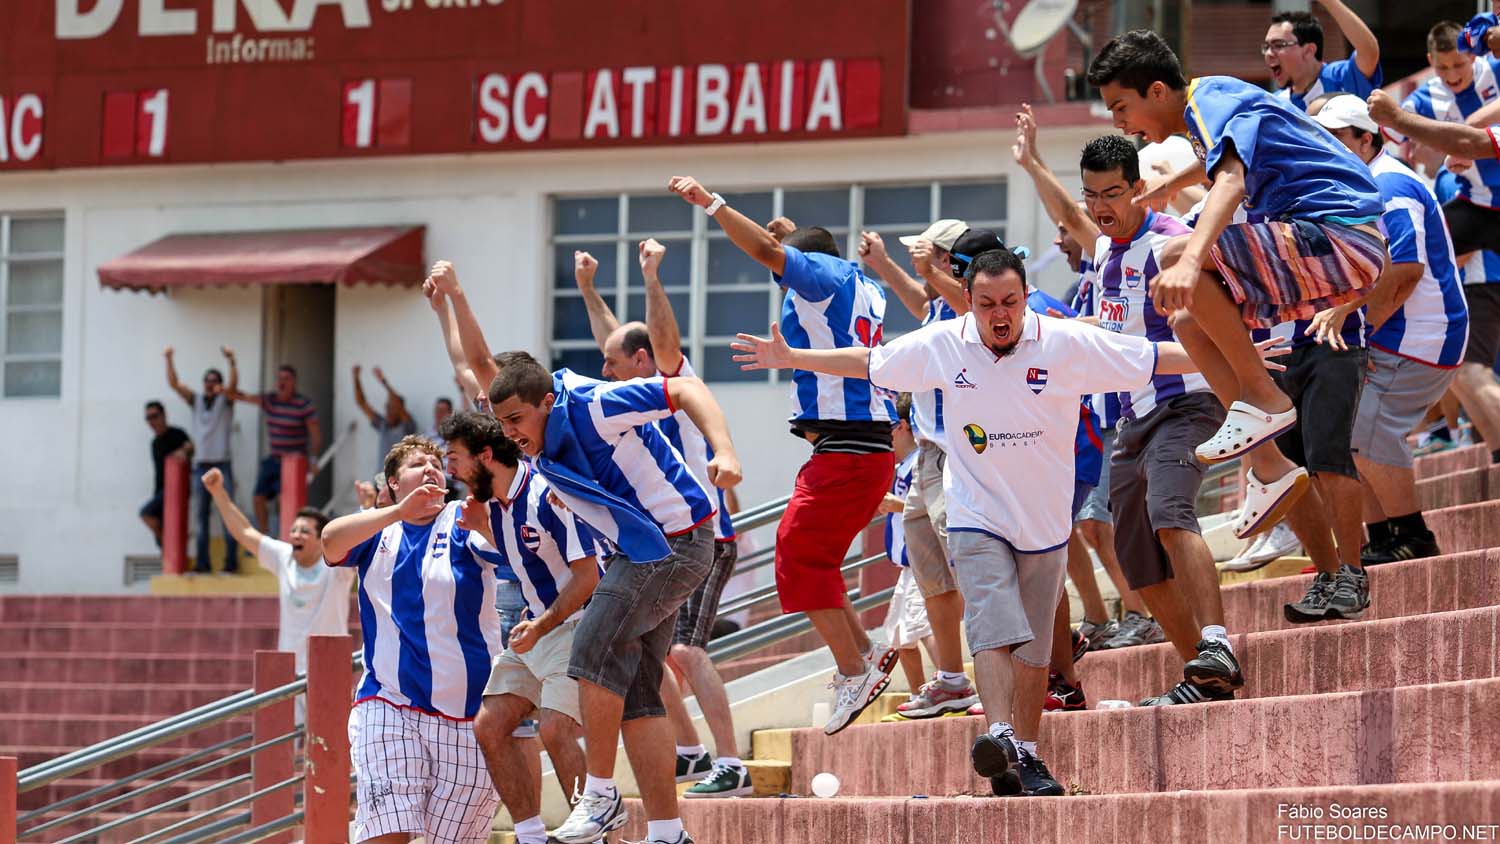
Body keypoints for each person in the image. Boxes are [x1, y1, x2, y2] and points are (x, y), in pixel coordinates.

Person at [732, 248, 1281, 796]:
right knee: (993, 630)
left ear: (1024, 300)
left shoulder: (1064, 342)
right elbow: (869, 362)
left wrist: (1243, 357)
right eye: (988, 303)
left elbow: (1155, 356)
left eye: (1011, 302)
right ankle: (997, 734)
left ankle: (1027, 754)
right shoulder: (944, 344)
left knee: (1036, 650)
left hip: (1043, 523)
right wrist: (794, 358)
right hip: (976, 514)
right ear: (967, 302)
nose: (1001, 314)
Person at [1088, 31, 1384, 570]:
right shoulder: (1216, 110)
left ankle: (1265, 402)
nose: (1118, 123)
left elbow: (1229, 179)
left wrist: (1192, 257)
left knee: (1177, 255)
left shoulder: (1211, 99)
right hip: (1333, 252)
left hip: (1343, 234)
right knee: (1184, 318)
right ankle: (1266, 462)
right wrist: (1167, 184)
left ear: (1157, 91)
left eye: (1120, 107)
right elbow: (1217, 163)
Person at [1013, 120, 1248, 706]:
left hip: (1187, 400)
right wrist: (1033, 164)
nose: (1099, 207)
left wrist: (1247, 351)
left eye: (1112, 194)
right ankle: (1202, 672)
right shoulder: (1101, 250)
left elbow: (1225, 294)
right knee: (1135, 556)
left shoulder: (1172, 239)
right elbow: (1070, 221)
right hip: (1128, 416)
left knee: (1170, 512)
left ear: (1138, 189)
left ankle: (1218, 642)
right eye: (1092, 194)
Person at [667, 175, 899, 737]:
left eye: (789, 276)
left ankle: (854, 669)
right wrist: (790, 242)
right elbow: (790, 260)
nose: (783, 285)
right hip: (861, 447)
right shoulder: (860, 285)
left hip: (848, 447)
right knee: (813, 562)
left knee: (795, 559)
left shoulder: (822, 279)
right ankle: (864, 655)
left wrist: (715, 205)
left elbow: (776, 255)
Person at [483, 352, 738, 844]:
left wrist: (724, 451)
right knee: (640, 694)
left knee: (591, 650)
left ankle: (599, 798)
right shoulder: (534, 434)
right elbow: (476, 365)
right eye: (501, 422)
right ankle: (668, 832)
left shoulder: (595, 403)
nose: (509, 432)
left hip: (675, 543)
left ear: (548, 402)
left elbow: (686, 389)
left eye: (516, 419)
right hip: (642, 549)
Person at [570, 239, 750, 798]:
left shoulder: (669, 383)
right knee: (652, 653)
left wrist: (652, 277)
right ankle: (690, 752)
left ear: (643, 363)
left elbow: (659, 341)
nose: (603, 370)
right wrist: (587, 290)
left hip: (704, 537)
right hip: (658, 548)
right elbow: (618, 341)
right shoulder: (624, 402)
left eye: (614, 363)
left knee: (688, 651)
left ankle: (731, 762)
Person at [321, 436, 506, 844]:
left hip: (468, 716)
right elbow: (330, 540)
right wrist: (394, 512)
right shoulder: (377, 530)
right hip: (389, 702)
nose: (430, 469)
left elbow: (506, 551)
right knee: (387, 831)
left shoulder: (464, 517)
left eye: (436, 464)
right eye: (417, 464)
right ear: (392, 483)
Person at [1309, 94, 1468, 567]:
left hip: (1423, 332)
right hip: (1394, 330)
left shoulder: (1390, 184)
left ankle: (1414, 537)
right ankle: (1382, 538)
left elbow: (1404, 273)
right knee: (1349, 429)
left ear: (1366, 137)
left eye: (1338, 135)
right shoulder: (1360, 183)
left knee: (1365, 428)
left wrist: (1360, 337)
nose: (1329, 145)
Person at [442, 411, 598, 844]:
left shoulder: (546, 493)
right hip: (537, 633)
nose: (448, 469)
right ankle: (531, 835)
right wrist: (482, 530)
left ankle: (601, 836)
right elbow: (526, 562)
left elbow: (589, 577)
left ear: (485, 456)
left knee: (555, 729)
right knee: (489, 726)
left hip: (574, 626)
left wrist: (542, 624)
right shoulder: (495, 505)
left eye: (454, 457)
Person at [857, 225, 980, 718]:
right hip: (930, 450)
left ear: (950, 258)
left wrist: (930, 269)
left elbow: (969, 304)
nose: (919, 260)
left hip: (961, 451)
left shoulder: (975, 298)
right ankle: (951, 678)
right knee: (931, 575)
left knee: (971, 563)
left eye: (927, 253)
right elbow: (920, 302)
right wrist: (884, 265)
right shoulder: (935, 303)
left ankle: (1009, 661)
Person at [1055, 212, 1164, 649]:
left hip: (1120, 412)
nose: (1059, 240)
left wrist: (1033, 166)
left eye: (1065, 230)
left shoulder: (1110, 263)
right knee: (1089, 525)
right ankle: (1121, 615)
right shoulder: (1079, 287)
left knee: (1101, 523)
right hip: (1093, 418)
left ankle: (1142, 614)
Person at [200, 466, 351, 723]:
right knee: (284, 748)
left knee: (327, 748)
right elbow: (245, 532)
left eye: (304, 531)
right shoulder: (283, 557)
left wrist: (369, 504)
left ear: (321, 540)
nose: (296, 536)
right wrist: (218, 492)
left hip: (328, 669)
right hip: (289, 672)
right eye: (293, 530)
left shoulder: (337, 565)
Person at [1398, 21, 1500, 261]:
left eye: (1458, 64)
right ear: (1430, 61)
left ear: (1473, 57)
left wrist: (1463, 138)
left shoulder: (1494, 68)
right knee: (1418, 254)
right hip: (1475, 203)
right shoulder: (1421, 100)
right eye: (1442, 67)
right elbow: (1376, 134)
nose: (1452, 75)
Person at [875, 393, 940, 703]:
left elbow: (933, 504)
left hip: (922, 558)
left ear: (901, 426)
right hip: (907, 563)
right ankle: (920, 694)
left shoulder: (921, 461)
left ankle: (952, 684)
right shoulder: (902, 466)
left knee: (920, 626)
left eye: (887, 426)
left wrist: (896, 504)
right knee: (899, 634)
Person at [164, 346, 240, 573]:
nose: (211, 384)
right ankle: (203, 563)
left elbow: (234, 386)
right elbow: (175, 385)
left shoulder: (226, 401)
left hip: (222, 464)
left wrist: (232, 361)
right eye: (207, 380)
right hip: (200, 466)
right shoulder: (195, 400)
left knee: (229, 514)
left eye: (215, 380)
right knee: (200, 518)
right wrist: (169, 360)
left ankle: (231, 562)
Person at [227, 359, 322, 533]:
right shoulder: (270, 400)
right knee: (258, 498)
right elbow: (238, 396)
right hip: (273, 460)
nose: (281, 382)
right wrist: (232, 363)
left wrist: (313, 460)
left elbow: (316, 435)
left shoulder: (303, 405)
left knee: (283, 499)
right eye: (279, 378)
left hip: (293, 463)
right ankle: (264, 536)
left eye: (286, 378)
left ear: (294, 382)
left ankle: (285, 535)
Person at [1263, 0, 1382, 112]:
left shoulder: (1339, 77)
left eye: (1278, 45)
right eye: (1266, 47)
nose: (1268, 53)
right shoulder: (1276, 105)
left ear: (1309, 50)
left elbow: (1369, 52)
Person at [140, 401, 192, 548]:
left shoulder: (177, 433)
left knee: (146, 513)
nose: (151, 421)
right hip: (161, 492)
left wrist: (182, 452)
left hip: (175, 490)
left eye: (154, 416)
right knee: (160, 534)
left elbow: (190, 446)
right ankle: (168, 549)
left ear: (163, 415)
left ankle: (170, 546)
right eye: (148, 418)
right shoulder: (155, 442)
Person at [354, 365, 418, 471]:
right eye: (387, 407)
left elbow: (397, 402)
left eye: (391, 408)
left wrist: (384, 382)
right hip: (381, 480)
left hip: (401, 480)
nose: (387, 411)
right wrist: (356, 378)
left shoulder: (407, 426)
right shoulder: (383, 425)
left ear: (400, 410)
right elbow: (362, 403)